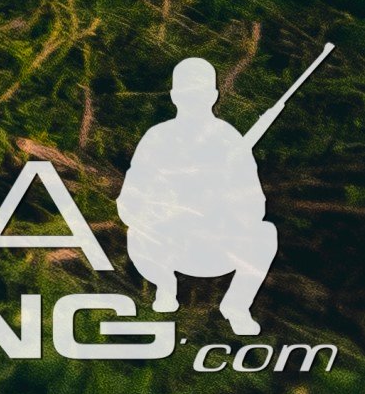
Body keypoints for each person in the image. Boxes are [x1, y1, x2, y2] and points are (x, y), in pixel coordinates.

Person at [122, 51, 293, 335]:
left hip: (214, 245)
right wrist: (165, 210)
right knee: (136, 233)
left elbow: (255, 205)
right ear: (175, 96)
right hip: (166, 243)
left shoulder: (229, 139)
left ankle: (236, 306)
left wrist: (223, 202)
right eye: (188, 94)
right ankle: (165, 287)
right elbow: (130, 199)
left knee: (265, 234)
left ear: (213, 96)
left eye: (199, 95)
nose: (194, 101)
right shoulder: (157, 138)